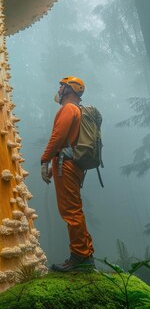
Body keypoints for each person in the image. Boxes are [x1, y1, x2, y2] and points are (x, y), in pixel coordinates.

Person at [40, 76, 95, 272]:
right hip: (73, 165)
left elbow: (58, 138)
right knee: (75, 209)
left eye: (61, 86)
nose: (58, 88)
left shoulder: (68, 109)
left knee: (71, 211)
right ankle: (84, 254)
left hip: (67, 165)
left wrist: (44, 160)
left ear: (69, 89)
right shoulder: (77, 110)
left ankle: (81, 257)